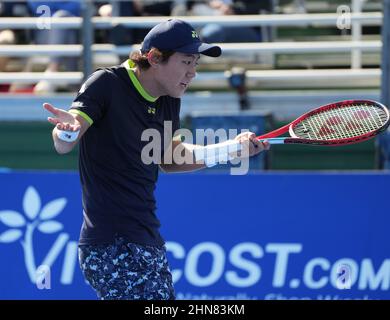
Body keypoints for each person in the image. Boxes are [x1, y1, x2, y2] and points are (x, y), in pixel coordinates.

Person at [44, 19, 269, 300]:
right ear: (154, 58)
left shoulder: (169, 97)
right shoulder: (106, 84)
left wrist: (229, 150)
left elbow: (170, 158)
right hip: (111, 244)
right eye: (187, 61)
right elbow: (64, 142)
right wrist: (67, 133)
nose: (192, 73)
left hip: (147, 240)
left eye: (195, 63)